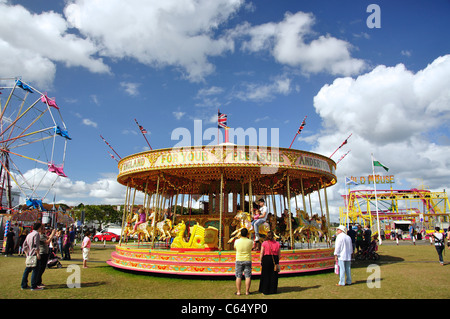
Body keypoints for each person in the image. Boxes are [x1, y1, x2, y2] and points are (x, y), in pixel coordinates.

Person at [21, 223, 42, 290]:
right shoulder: (36, 234)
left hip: (29, 254)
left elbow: (24, 245)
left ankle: (23, 285)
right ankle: (34, 285)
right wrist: (38, 253)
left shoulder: (29, 234)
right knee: (35, 270)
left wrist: (26, 252)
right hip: (34, 254)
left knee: (27, 270)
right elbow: (36, 244)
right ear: (39, 228)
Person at [259, 230, 280, 295]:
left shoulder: (264, 243)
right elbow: (279, 254)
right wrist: (277, 261)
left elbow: (262, 252)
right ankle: (273, 290)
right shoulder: (277, 244)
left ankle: (265, 290)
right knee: (273, 275)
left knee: (266, 275)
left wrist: (260, 260)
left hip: (266, 258)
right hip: (274, 258)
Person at [234, 228, 253, 296]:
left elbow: (235, 247)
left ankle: (238, 291)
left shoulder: (236, 241)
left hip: (239, 259)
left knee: (238, 276)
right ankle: (247, 291)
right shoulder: (250, 241)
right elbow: (251, 248)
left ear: (240, 233)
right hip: (247, 259)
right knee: (247, 276)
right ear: (247, 234)